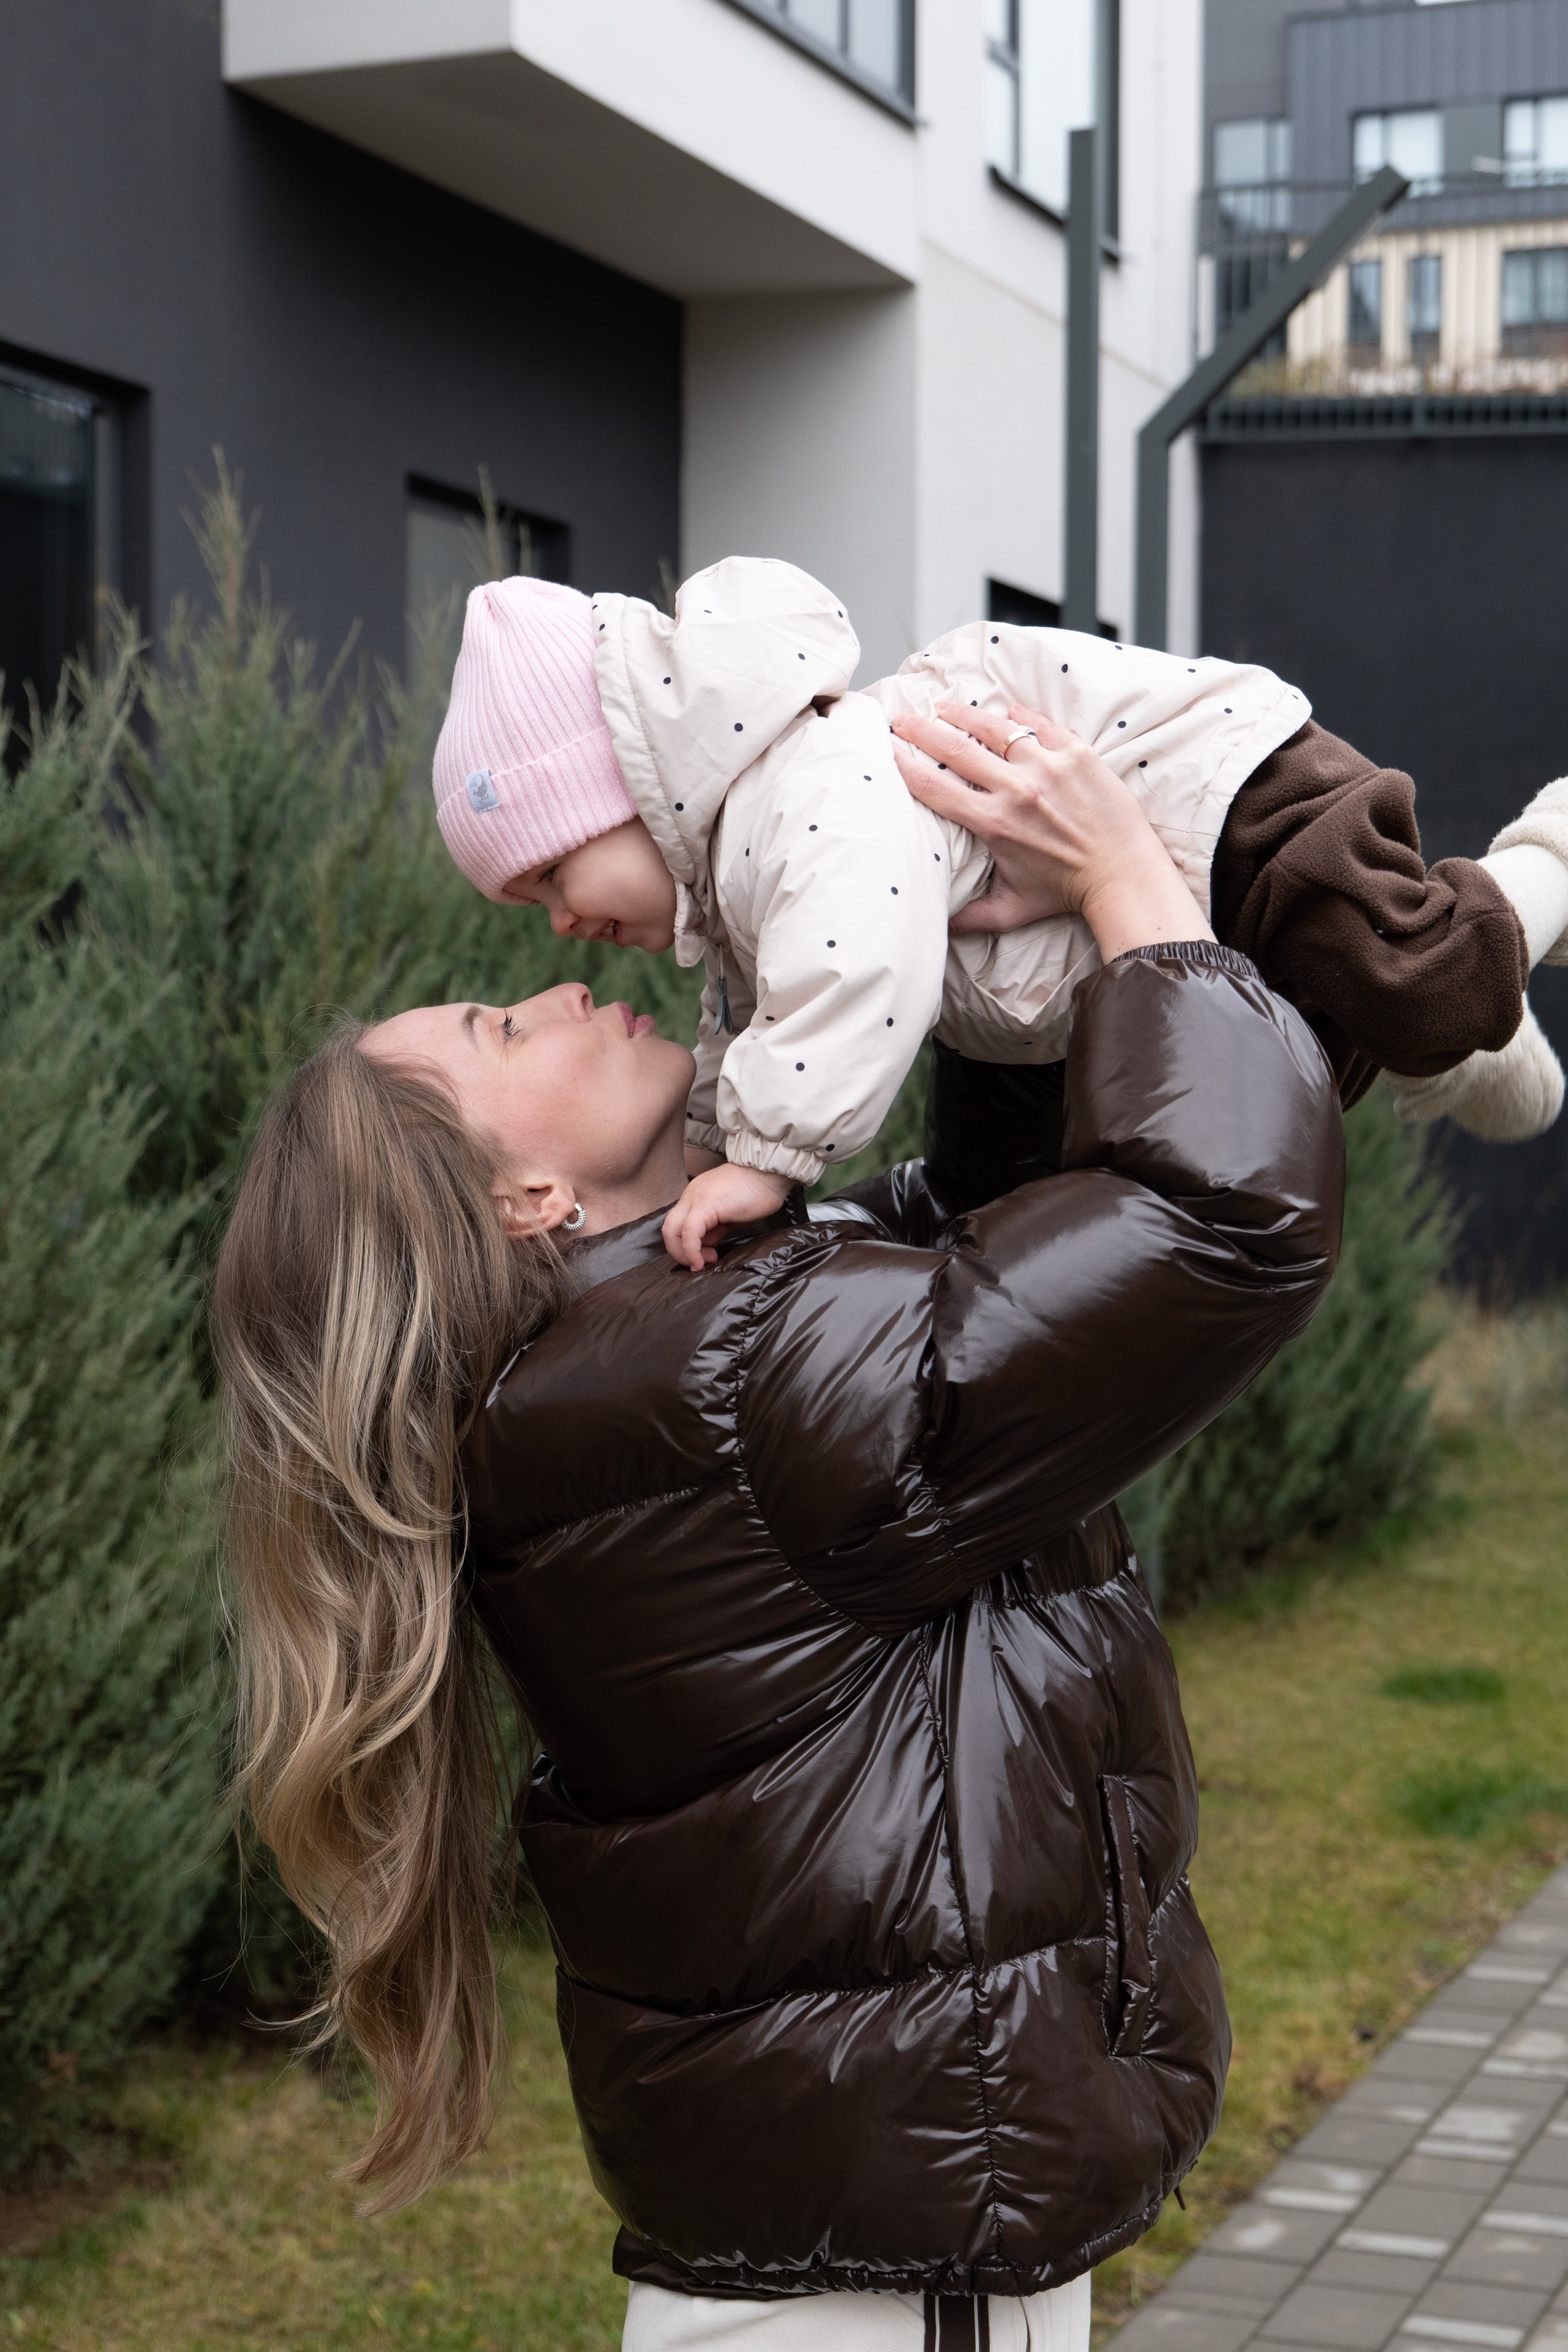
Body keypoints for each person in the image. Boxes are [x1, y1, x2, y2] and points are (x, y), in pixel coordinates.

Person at [214, 709, 1344, 2350]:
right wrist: (1123, 875)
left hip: (838, 2227)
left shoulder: (652, 1359)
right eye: (494, 1025)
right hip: (889, 2266)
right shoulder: (723, 1377)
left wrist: (952, 950)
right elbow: (1213, 1224)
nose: (548, 988)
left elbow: (995, 1242)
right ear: (520, 1204)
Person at [430, 559, 1568, 1274]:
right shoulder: (733, 881)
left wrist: (771, 1160)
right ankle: (1466, 1044)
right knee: (1291, 1074)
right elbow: (755, 1019)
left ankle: (1537, 868)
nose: (560, 930)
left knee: (1423, 983)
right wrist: (712, 1143)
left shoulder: (802, 786)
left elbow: (853, 968)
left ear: (623, 789)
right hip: (1113, 932)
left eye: (549, 880)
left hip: (1213, 807)